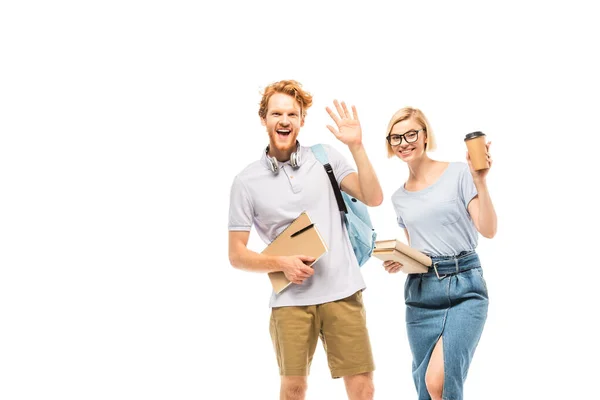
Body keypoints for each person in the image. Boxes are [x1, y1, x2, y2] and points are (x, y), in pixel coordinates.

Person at [228, 79, 383, 400]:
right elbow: (236, 254)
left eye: (292, 114)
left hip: (343, 291)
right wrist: (279, 263)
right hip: (290, 302)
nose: (284, 120)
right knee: (294, 389)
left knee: (363, 387)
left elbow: (374, 196)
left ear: (301, 120)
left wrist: (356, 145)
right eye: (275, 114)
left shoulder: (325, 158)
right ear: (263, 119)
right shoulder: (246, 182)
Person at [382, 107, 497, 400]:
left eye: (410, 134)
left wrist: (480, 181)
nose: (403, 142)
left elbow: (488, 229)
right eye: (396, 137)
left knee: (440, 382)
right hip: (422, 295)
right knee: (426, 387)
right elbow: (422, 253)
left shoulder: (459, 172)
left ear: (424, 136)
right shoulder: (400, 198)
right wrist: (402, 260)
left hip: (465, 287)